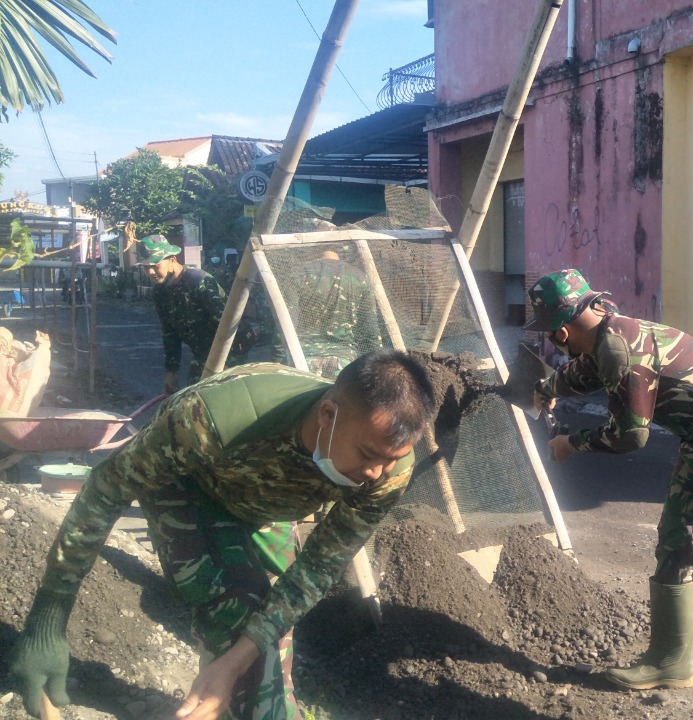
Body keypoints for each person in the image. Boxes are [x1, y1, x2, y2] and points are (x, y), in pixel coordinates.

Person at [8, 350, 436, 720]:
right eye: (367, 455)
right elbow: (104, 491)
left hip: (268, 504)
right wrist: (49, 617)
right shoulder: (209, 421)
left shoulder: (387, 467)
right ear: (328, 414)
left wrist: (233, 665)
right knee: (237, 612)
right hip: (192, 485)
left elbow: (316, 570)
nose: (374, 473)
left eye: (389, 460)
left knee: (268, 641)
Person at [526, 269, 693, 720]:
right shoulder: (608, 332)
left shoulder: (621, 350)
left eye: (551, 336)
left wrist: (573, 443)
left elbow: (630, 437)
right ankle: (671, 661)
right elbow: (587, 370)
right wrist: (547, 388)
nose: (554, 344)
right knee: (676, 540)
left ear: (561, 332)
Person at [138, 234, 237, 393]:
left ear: (172, 260)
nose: (150, 272)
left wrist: (224, 362)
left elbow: (228, 324)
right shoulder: (160, 291)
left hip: (230, 353)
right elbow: (170, 333)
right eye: (145, 267)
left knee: (223, 404)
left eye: (155, 265)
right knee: (193, 399)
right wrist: (171, 371)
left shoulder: (198, 281)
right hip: (202, 354)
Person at [280, 249, 383, 378]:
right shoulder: (360, 278)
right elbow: (370, 329)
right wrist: (378, 367)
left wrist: (277, 360)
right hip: (344, 361)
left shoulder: (298, 273)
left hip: (302, 359)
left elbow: (286, 323)